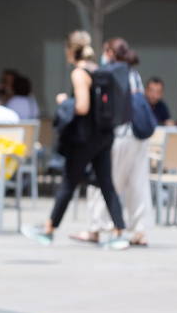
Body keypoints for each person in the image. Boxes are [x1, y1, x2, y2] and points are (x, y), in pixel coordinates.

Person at [22, 31, 130, 250]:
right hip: (104, 135)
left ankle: (49, 229)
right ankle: (120, 232)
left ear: (71, 50)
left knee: (69, 183)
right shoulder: (98, 69)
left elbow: (82, 106)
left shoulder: (79, 73)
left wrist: (64, 102)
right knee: (106, 183)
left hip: (84, 138)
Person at [76, 38, 152, 246]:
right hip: (138, 134)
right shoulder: (133, 73)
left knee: (104, 182)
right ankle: (139, 231)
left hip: (118, 134)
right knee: (137, 184)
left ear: (109, 52)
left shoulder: (108, 73)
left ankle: (97, 227)